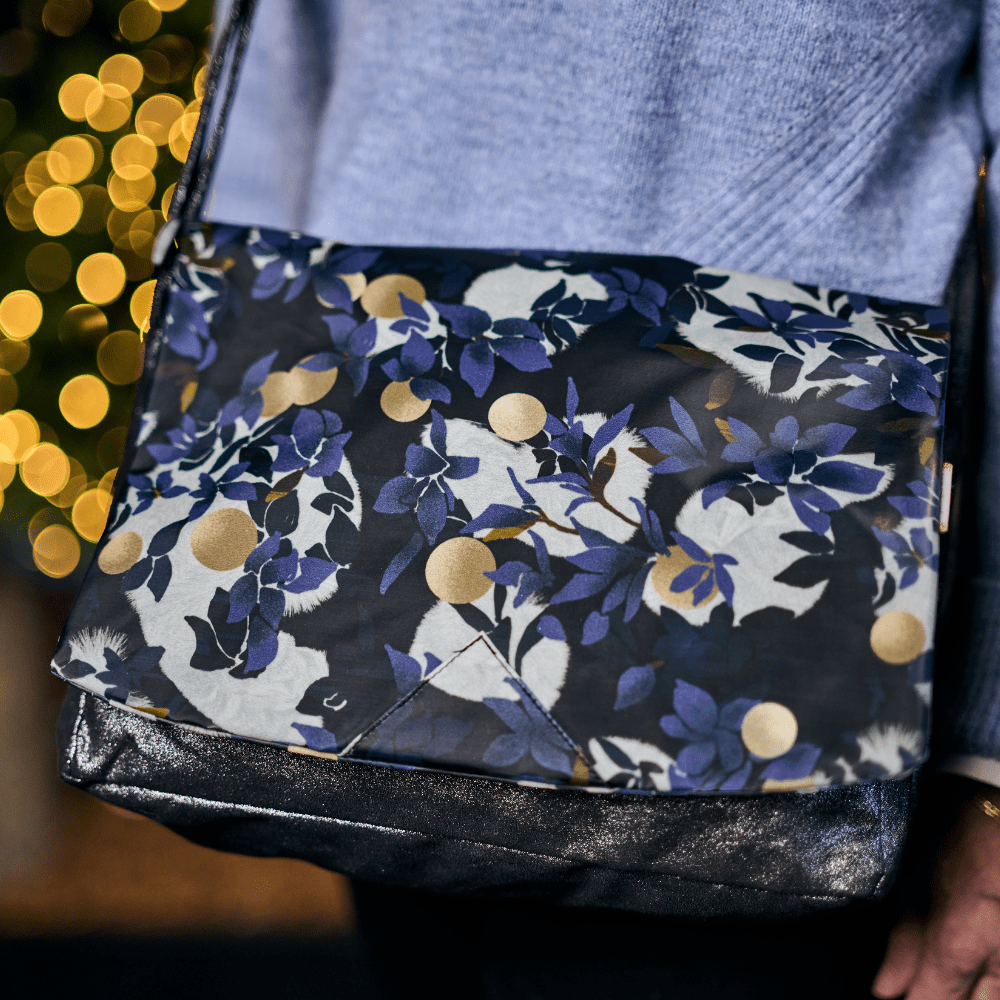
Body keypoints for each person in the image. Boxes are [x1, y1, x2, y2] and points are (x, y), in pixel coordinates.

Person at [199, 2, 1000, 996]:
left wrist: (987, 747)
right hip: (374, 482)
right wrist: (254, 380)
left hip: (773, 626)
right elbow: (277, 71)